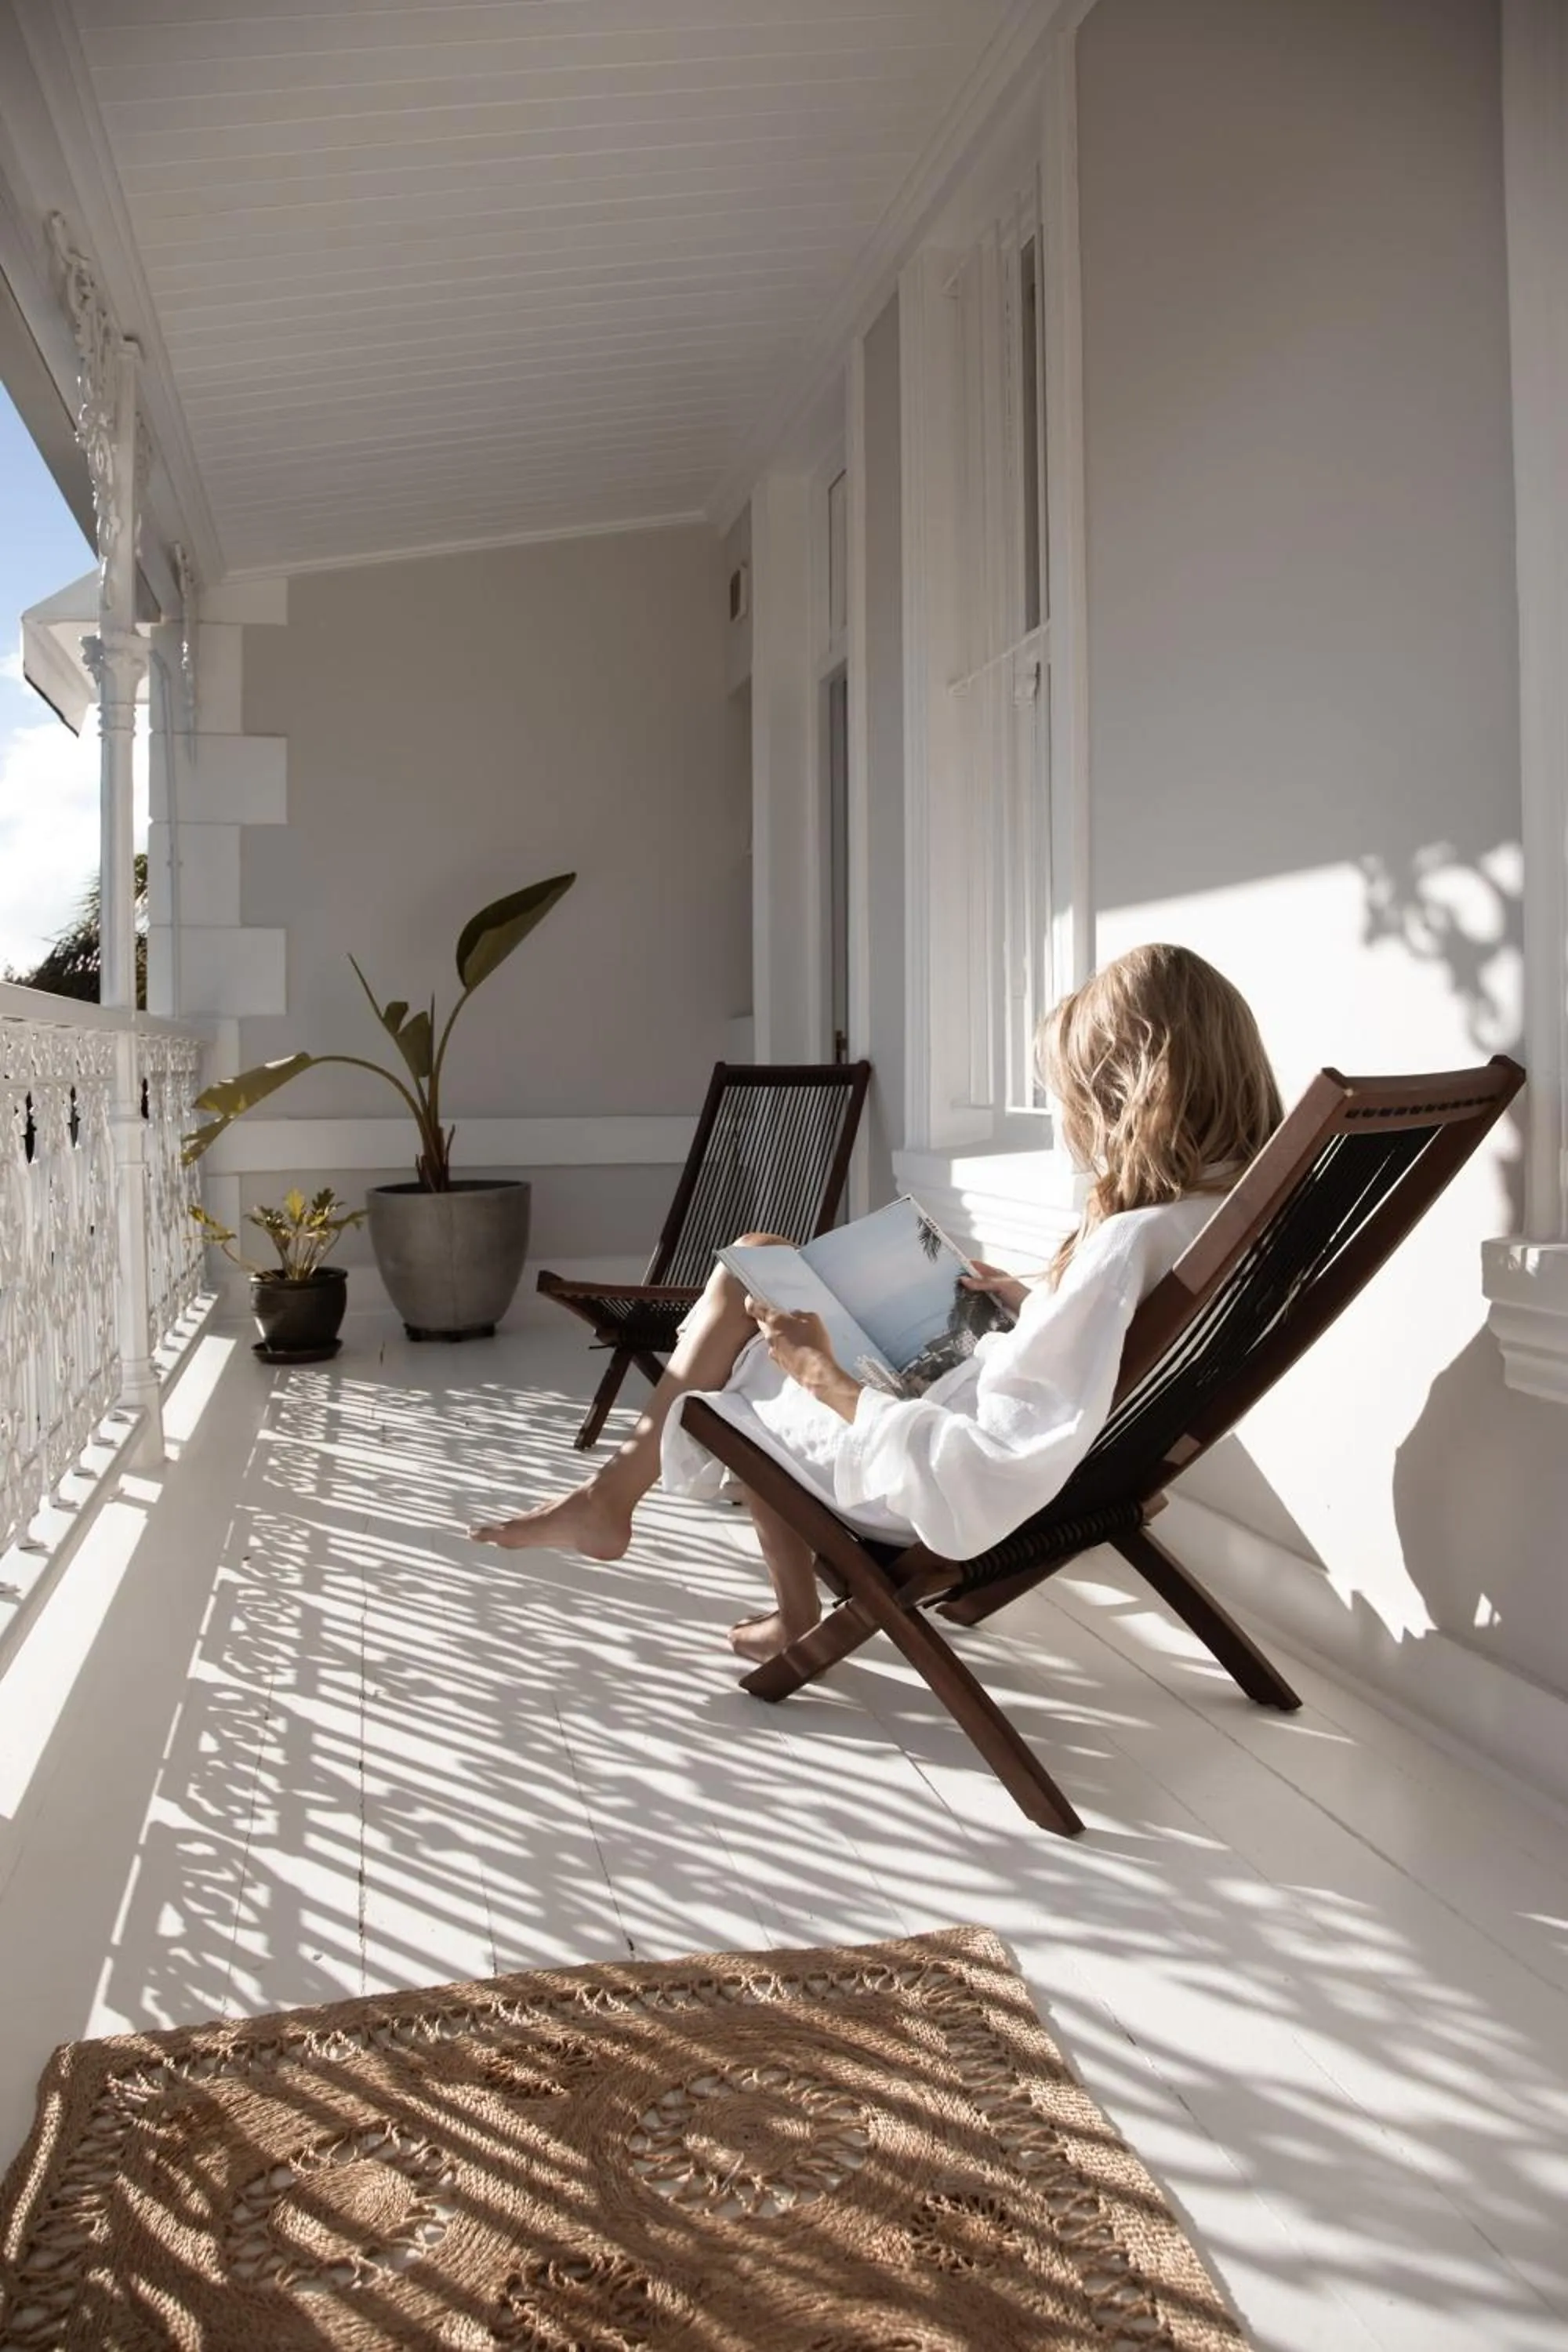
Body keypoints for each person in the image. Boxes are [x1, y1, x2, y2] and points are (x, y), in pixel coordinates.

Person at [472, 945, 1282, 1664]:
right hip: (1016, 1443)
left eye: (1074, 1099)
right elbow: (1087, 1365)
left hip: (925, 1479)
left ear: (1125, 1092)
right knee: (758, 1260)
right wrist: (1032, 1301)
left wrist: (824, 1377)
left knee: (747, 1339)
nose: (1073, 1125)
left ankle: (620, 1506)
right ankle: (627, 1511)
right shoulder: (1221, 1215)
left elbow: (981, 1472)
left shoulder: (1124, 1244)